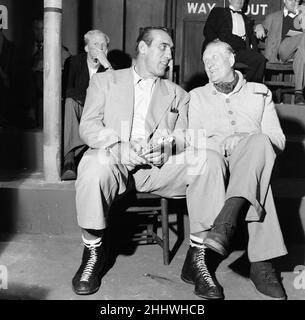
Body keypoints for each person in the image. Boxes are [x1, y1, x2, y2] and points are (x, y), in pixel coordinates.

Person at [72, 26, 227, 299]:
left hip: (158, 169)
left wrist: (167, 148)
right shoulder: (105, 82)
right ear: (142, 48)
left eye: (171, 49)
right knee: (93, 163)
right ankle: (93, 251)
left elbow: (183, 135)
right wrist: (117, 145)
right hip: (115, 160)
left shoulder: (178, 93)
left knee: (209, 160)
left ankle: (197, 258)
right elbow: (89, 125)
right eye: (163, 47)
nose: (169, 55)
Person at [188, 39, 288, 300]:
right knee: (260, 184)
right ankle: (262, 264)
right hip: (218, 165)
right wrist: (224, 144)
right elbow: (195, 142)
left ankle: (225, 222)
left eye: (214, 58)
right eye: (205, 60)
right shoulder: (197, 97)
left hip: (258, 158)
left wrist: (245, 139)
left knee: (258, 141)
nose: (208, 64)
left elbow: (277, 140)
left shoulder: (259, 92)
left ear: (232, 60)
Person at [61, 30, 113, 180]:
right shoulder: (74, 62)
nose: (100, 48)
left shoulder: (110, 67)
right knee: (70, 102)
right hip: (79, 107)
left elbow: (117, 95)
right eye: (95, 44)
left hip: (101, 112)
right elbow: (68, 90)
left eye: (103, 45)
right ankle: (69, 159)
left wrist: (107, 66)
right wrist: (91, 100)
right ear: (86, 48)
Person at [255, 0, 305, 105]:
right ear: (284, 0)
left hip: (299, 54)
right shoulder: (274, 16)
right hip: (282, 51)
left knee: (301, 53)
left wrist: (302, 15)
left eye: (296, 0)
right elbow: (261, 27)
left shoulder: (303, 14)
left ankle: (298, 93)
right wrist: (259, 27)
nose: (294, 2)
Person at [202, 0, 265, 83]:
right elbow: (207, 30)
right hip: (222, 49)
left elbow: (254, 34)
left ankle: (249, 88)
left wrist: (259, 26)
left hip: (239, 51)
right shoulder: (218, 11)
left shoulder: (247, 19)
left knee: (259, 59)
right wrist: (217, 43)